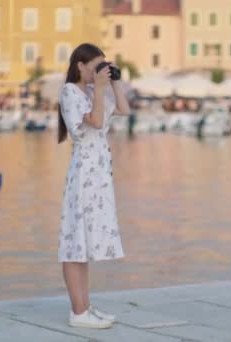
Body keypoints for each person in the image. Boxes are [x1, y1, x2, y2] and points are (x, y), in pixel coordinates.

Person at [57, 43, 130, 329]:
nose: (98, 72)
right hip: (84, 175)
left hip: (99, 176)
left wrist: (114, 82)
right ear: (81, 66)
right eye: (96, 66)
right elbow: (97, 122)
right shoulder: (70, 93)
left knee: (85, 244)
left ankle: (85, 307)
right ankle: (78, 311)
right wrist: (99, 88)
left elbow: (123, 110)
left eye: (103, 65)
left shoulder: (91, 91)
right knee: (74, 243)